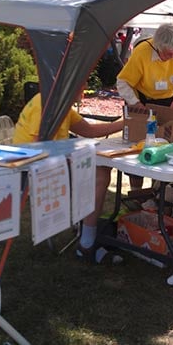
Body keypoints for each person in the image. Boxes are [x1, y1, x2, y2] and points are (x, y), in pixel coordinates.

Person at [13, 86, 125, 264]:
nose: (84, 90)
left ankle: (87, 234)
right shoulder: (44, 105)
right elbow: (36, 148)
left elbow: (88, 131)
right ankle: (87, 243)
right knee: (100, 176)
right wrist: (71, 160)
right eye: (81, 85)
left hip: (47, 161)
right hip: (31, 169)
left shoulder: (60, 104)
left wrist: (125, 123)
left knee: (100, 170)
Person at [116, 23, 173, 190]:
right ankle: (136, 191)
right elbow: (123, 82)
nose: (172, 57)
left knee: (165, 146)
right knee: (139, 145)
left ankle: (157, 193)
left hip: (167, 101)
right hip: (141, 100)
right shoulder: (142, 51)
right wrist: (135, 102)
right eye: (168, 54)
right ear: (158, 47)